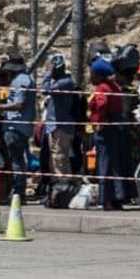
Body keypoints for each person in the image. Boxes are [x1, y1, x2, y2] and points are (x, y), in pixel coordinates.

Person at [0, 56, 36, 201]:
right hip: (21, 126)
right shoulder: (25, 79)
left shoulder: (20, 81)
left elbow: (19, 104)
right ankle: (18, 191)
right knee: (18, 160)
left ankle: (18, 192)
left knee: (16, 161)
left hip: (15, 125)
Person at [88, 57, 130, 210]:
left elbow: (101, 104)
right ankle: (118, 197)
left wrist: (99, 122)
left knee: (104, 163)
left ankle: (106, 199)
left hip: (105, 129)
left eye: (92, 73)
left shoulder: (102, 88)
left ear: (98, 75)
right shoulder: (114, 86)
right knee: (116, 163)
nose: (90, 76)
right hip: (116, 128)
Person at [41, 54, 79, 188]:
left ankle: (63, 186)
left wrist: (48, 74)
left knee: (60, 157)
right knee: (55, 157)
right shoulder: (58, 81)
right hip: (54, 125)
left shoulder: (65, 82)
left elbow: (44, 90)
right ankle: (59, 185)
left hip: (61, 125)